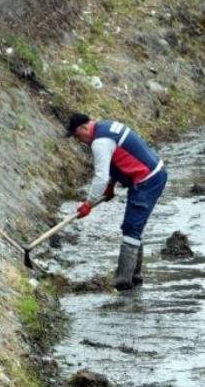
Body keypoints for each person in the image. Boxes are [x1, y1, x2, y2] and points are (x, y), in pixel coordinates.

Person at [66, 113, 168, 290]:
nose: (79, 141)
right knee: (133, 227)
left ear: (84, 128)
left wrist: (88, 204)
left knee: (131, 227)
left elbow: (100, 177)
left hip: (147, 179)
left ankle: (123, 279)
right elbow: (116, 160)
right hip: (152, 173)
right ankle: (135, 277)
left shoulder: (100, 142)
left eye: (77, 136)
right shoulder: (106, 126)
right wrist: (111, 186)